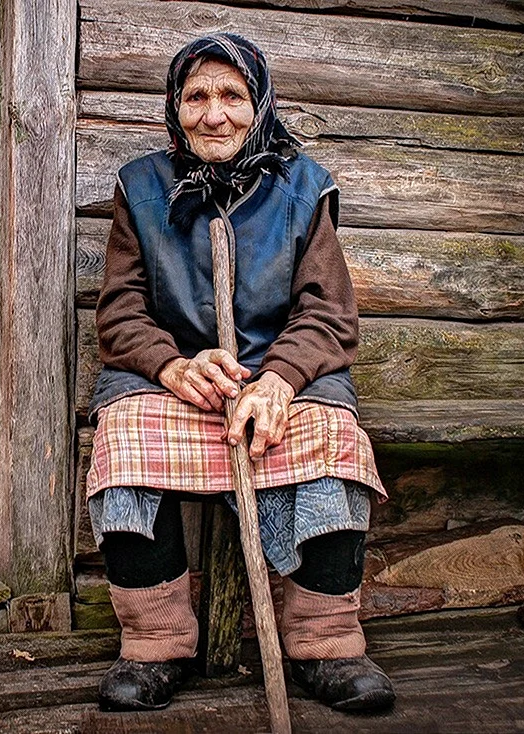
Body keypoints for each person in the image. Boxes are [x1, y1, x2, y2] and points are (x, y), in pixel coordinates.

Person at [85, 33, 396, 714]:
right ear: (176, 107)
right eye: (196, 96)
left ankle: (327, 642)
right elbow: (120, 312)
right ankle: (156, 644)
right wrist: (171, 365)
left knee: (333, 441)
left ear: (259, 106)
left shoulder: (304, 187)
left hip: (286, 372)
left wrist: (280, 379)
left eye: (233, 95)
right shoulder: (140, 188)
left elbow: (328, 314)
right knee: (125, 438)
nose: (214, 113)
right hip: (181, 375)